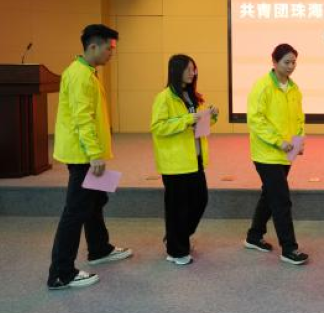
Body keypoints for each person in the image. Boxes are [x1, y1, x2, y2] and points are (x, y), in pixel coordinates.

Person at [48, 24, 132, 290]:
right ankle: (61, 273)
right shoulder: (80, 75)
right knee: (75, 211)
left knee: (94, 202)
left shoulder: (86, 72)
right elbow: (82, 118)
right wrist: (94, 154)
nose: (111, 53)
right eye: (109, 48)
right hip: (82, 155)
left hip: (85, 153)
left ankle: (99, 248)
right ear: (93, 46)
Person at [244, 44, 309, 265]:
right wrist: (277, 141)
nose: (291, 66)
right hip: (266, 154)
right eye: (286, 62)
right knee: (281, 199)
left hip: (286, 152)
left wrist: (298, 140)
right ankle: (289, 248)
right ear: (274, 62)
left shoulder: (294, 88)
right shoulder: (262, 86)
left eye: (294, 62)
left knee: (269, 195)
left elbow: (299, 118)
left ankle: (254, 236)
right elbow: (256, 120)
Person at [151, 55, 218, 266]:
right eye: (189, 69)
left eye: (194, 69)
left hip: (195, 159)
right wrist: (189, 119)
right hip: (175, 163)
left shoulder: (193, 96)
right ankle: (176, 250)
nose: (193, 73)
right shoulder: (164, 98)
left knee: (200, 200)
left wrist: (211, 116)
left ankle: (176, 236)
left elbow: (198, 126)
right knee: (177, 208)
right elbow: (158, 127)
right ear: (176, 70)